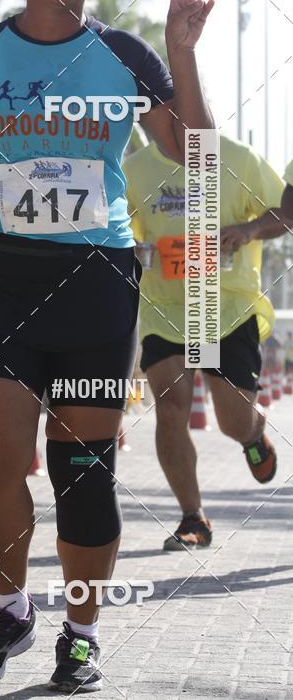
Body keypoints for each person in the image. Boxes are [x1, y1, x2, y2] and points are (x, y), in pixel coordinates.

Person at [0, 0, 215, 692]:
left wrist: (180, 53)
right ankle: (12, 608)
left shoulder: (123, 55)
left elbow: (196, 154)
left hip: (94, 279)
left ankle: (80, 634)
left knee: (83, 472)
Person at [124, 134, 286, 551]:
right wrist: (131, 247)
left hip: (223, 309)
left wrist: (248, 229)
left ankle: (252, 435)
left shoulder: (237, 158)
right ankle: (192, 517)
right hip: (166, 307)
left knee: (233, 420)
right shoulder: (137, 168)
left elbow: (285, 211)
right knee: (171, 407)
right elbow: (116, 224)